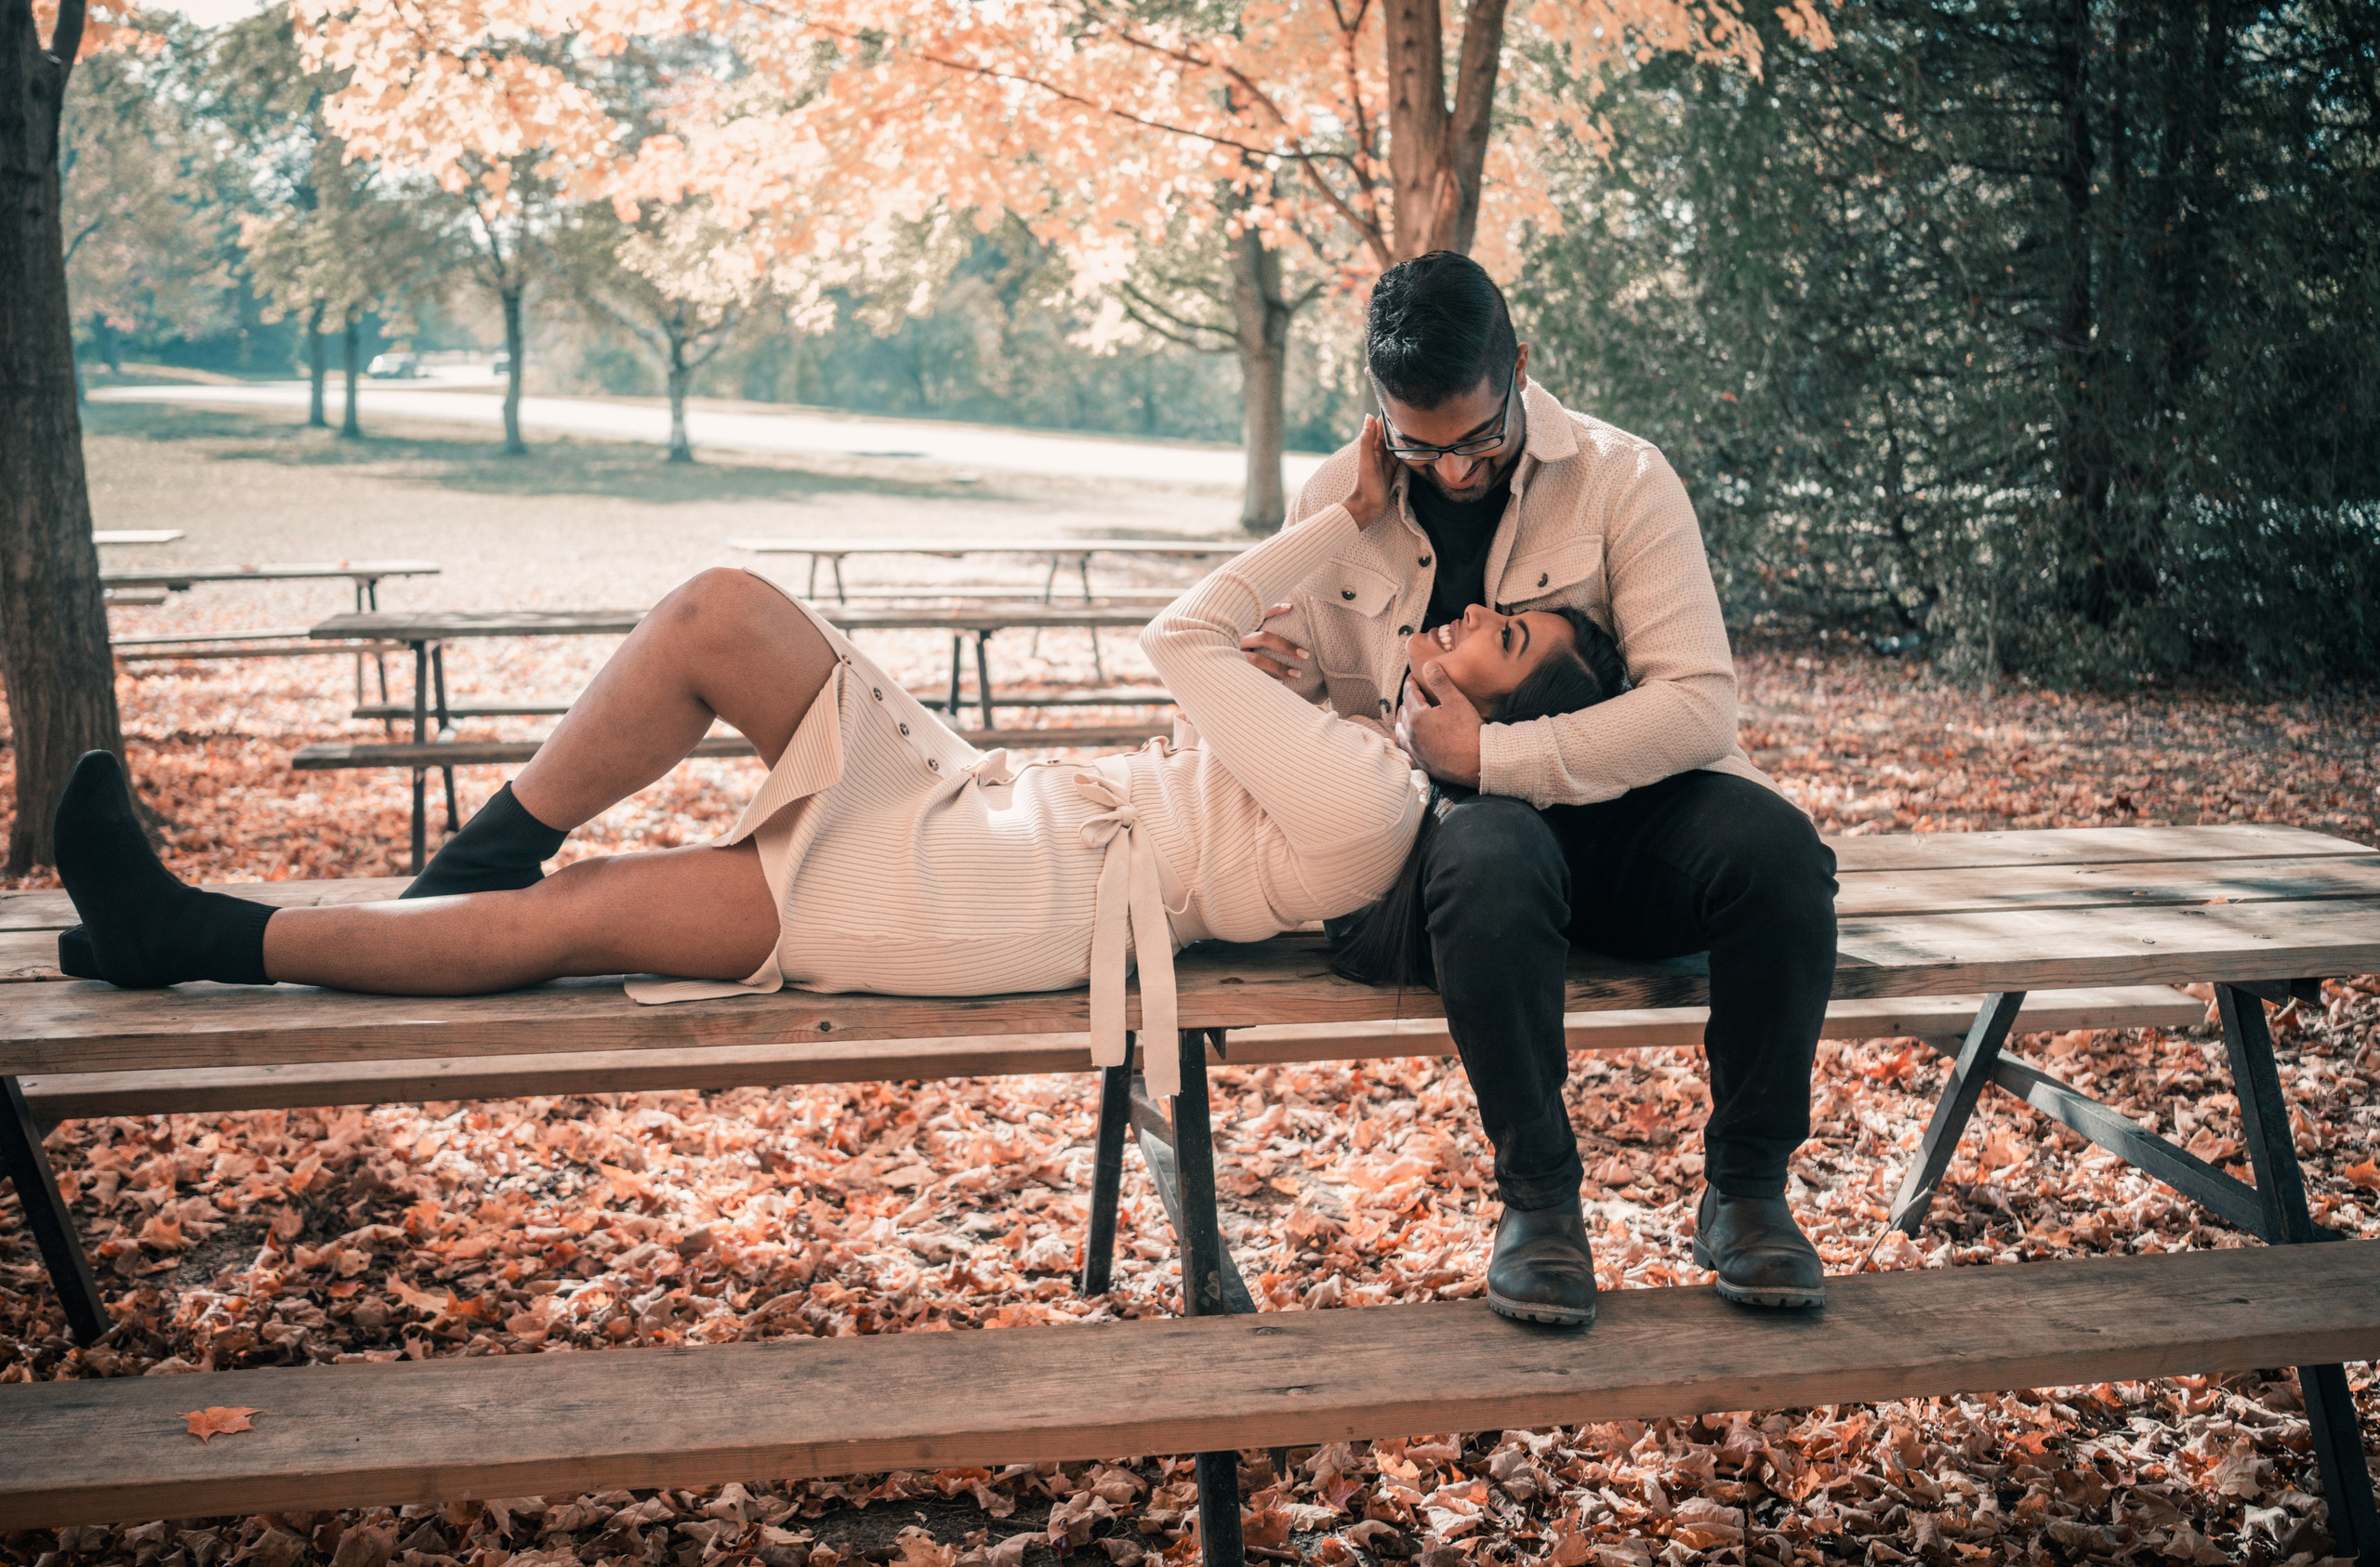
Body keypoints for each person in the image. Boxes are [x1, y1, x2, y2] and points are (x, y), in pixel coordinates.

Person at [53, 422, 1624, 1126]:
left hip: (1002, 890)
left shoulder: (1386, 803)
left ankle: (191, 934)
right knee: (720, 611)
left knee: (588, 916)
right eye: (1492, 607)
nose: (1475, 614)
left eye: (1506, 640)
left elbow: (1177, 634)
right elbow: (1240, 673)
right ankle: (459, 869)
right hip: (1004, 802)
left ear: (1507, 728)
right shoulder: (1363, 746)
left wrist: (1346, 512)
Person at [1239, 252, 1839, 1326]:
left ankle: (1747, 1191)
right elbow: (1331, 716)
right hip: (1458, 858)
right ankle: (1540, 1203)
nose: (1456, 471)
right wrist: (1278, 687)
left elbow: (1698, 703)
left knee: (1780, 854)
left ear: (1518, 365)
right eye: (1422, 445)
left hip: (1624, 823)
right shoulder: (1339, 497)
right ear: (1377, 407)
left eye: (1477, 437)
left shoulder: (1623, 477)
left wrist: (1500, 760)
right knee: (1489, 849)